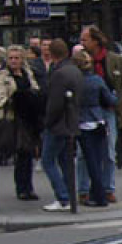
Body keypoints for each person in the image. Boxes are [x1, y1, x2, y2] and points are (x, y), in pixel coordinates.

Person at [77, 25, 122, 201]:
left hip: (107, 111)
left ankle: (108, 188)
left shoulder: (114, 59)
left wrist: (117, 103)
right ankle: (83, 189)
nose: (82, 43)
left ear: (95, 41)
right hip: (85, 113)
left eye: (85, 39)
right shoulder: (80, 59)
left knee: (108, 152)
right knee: (83, 153)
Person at [0, 45, 43, 201]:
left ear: (22, 59)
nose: (13, 61)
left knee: (29, 154)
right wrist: (15, 97)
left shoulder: (27, 73)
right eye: (11, 58)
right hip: (14, 118)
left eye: (17, 58)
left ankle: (29, 187)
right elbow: (1, 98)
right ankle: (22, 188)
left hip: (29, 117)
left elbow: (36, 89)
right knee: (21, 153)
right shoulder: (3, 76)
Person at [39, 39, 82, 212]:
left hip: (58, 124)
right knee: (65, 162)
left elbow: (54, 103)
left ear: (52, 54)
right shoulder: (75, 71)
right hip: (71, 122)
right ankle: (70, 196)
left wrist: (47, 122)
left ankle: (63, 197)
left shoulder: (59, 73)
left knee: (48, 160)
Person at [72, 48, 115, 206]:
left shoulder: (75, 82)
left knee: (90, 161)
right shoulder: (97, 80)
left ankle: (96, 195)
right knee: (99, 159)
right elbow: (110, 100)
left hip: (83, 123)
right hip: (99, 121)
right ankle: (99, 192)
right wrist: (114, 96)